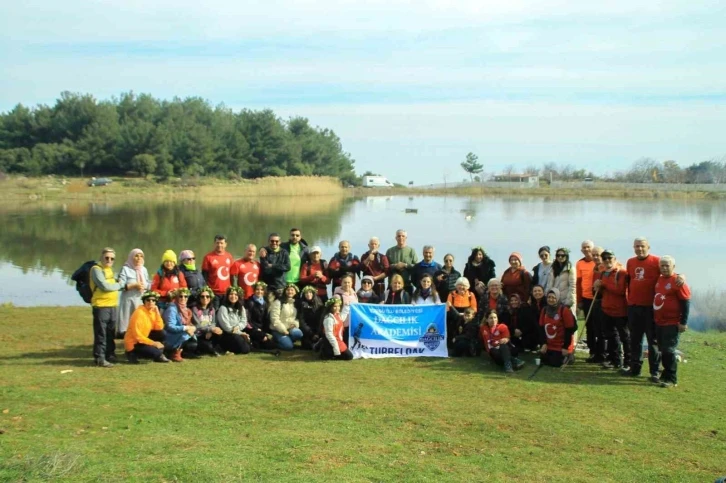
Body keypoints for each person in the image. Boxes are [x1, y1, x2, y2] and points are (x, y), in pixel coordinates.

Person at [624, 237, 684, 381]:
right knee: (635, 339)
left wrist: (681, 276)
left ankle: (654, 372)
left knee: (653, 342)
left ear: (648, 247)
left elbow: (669, 272)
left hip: (651, 308)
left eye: (642, 246)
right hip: (633, 307)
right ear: (634, 247)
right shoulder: (630, 262)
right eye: (637, 246)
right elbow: (628, 279)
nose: (639, 249)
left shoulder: (656, 261)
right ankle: (635, 368)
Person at [90, 247, 131, 367]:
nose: (109, 260)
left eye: (112, 258)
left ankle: (110, 355)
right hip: (101, 306)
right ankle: (99, 358)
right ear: (101, 257)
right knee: (101, 333)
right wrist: (120, 285)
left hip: (112, 305)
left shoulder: (110, 270)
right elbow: (104, 286)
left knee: (110, 333)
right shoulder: (96, 269)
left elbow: (114, 284)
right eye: (106, 257)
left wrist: (119, 283)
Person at [653, 256, 691, 388]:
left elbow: (686, 302)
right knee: (663, 349)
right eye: (662, 265)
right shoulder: (660, 278)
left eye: (667, 266)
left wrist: (683, 322)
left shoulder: (677, 281)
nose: (664, 268)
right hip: (659, 321)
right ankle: (665, 374)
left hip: (672, 322)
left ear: (673, 267)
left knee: (669, 350)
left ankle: (672, 379)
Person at [593, 250, 630, 370]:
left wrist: (603, 284)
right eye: (605, 258)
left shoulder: (621, 272)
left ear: (615, 259)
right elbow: (599, 293)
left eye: (610, 258)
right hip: (606, 310)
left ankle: (628, 362)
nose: (607, 260)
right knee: (611, 336)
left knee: (625, 337)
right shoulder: (603, 273)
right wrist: (596, 287)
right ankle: (615, 360)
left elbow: (620, 290)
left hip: (620, 311)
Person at [124, 290, 170, 363]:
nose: (151, 302)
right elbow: (137, 336)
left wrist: (157, 313)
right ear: (144, 301)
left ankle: (156, 354)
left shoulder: (152, 311)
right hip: (135, 343)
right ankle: (131, 353)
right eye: (148, 300)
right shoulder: (139, 313)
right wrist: (154, 343)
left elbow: (159, 328)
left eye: (153, 300)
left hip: (144, 338)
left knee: (162, 333)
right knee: (157, 352)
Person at [538, 288, 577, 367]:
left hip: (561, 345)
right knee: (544, 360)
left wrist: (565, 347)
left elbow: (569, 330)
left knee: (555, 363)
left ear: (558, 298)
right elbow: (541, 328)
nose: (551, 299)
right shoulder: (544, 310)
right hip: (550, 344)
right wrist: (544, 343)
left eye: (553, 297)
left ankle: (569, 355)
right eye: (549, 297)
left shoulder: (564, 310)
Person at [117, 248, 151, 339]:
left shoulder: (144, 269)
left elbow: (148, 283)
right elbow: (119, 286)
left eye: (141, 256)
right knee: (127, 326)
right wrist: (134, 285)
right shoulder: (125, 269)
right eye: (136, 256)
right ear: (131, 257)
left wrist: (145, 286)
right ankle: (128, 345)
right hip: (128, 302)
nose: (139, 258)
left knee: (139, 324)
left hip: (140, 301)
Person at [576, 240, 598, 361]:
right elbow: (578, 283)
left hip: (598, 298)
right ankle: (592, 351)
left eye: (588, 247)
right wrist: (579, 300)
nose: (586, 249)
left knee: (600, 327)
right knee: (589, 326)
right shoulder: (580, 263)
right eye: (584, 248)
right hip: (586, 298)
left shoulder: (599, 261)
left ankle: (603, 352)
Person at [162, 288, 198, 362]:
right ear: (176, 297)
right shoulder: (172, 309)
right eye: (180, 296)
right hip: (169, 336)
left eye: (186, 296)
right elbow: (170, 327)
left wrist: (192, 328)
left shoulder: (186, 309)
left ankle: (180, 352)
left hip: (179, 334)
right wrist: (186, 328)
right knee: (186, 334)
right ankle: (174, 354)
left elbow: (188, 323)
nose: (183, 298)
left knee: (194, 343)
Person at [216, 286, 251, 354]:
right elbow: (226, 327)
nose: (233, 296)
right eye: (231, 294)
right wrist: (240, 333)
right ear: (227, 296)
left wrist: (238, 327)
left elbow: (244, 321)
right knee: (245, 349)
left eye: (235, 294)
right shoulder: (223, 308)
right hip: (227, 334)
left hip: (237, 331)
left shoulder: (241, 307)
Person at [202, 234, 233, 309]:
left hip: (226, 293)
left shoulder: (229, 256)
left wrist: (231, 289)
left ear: (225, 244)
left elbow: (232, 275)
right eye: (217, 243)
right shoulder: (208, 257)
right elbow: (204, 276)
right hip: (214, 293)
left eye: (221, 243)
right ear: (214, 244)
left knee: (226, 312)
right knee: (215, 313)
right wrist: (208, 291)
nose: (219, 245)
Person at [269, 284, 304, 350]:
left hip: (290, 329)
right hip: (278, 330)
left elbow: (297, 318)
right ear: (285, 291)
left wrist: (295, 324)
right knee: (288, 347)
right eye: (288, 290)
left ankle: (288, 340)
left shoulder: (296, 303)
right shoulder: (278, 302)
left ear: (295, 292)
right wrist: (283, 330)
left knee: (298, 333)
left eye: (292, 290)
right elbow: (274, 319)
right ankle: (274, 341)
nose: (290, 292)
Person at [244, 282, 277, 351]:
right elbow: (248, 319)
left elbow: (265, 318)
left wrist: (265, 330)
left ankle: (257, 342)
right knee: (263, 339)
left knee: (271, 345)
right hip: (252, 328)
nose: (259, 291)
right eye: (257, 289)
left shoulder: (265, 302)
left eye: (262, 290)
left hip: (262, 328)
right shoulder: (250, 302)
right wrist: (255, 328)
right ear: (254, 290)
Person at [445, 277, 478, 348]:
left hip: (467, 318)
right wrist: (457, 315)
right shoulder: (451, 294)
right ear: (456, 286)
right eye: (459, 285)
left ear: (467, 286)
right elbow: (448, 308)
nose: (461, 287)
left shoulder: (471, 295)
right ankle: (450, 345)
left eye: (464, 285)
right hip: (454, 317)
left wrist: (464, 315)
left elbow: (474, 308)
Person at [191, 286, 223, 356]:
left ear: (210, 298)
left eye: (207, 296)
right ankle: (211, 349)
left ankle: (212, 348)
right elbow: (197, 325)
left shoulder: (212, 309)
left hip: (209, 333)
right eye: (202, 296)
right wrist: (210, 329)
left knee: (220, 332)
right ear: (199, 298)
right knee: (208, 346)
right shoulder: (195, 309)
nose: (205, 298)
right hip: (199, 335)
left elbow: (213, 323)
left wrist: (210, 331)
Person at [385, 229, 418, 294]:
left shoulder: (411, 251)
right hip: (393, 286)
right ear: (396, 238)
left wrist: (405, 265)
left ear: (406, 238)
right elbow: (386, 267)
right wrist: (395, 266)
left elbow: (416, 266)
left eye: (403, 236)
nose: (401, 238)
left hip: (407, 285)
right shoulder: (390, 251)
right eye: (399, 236)